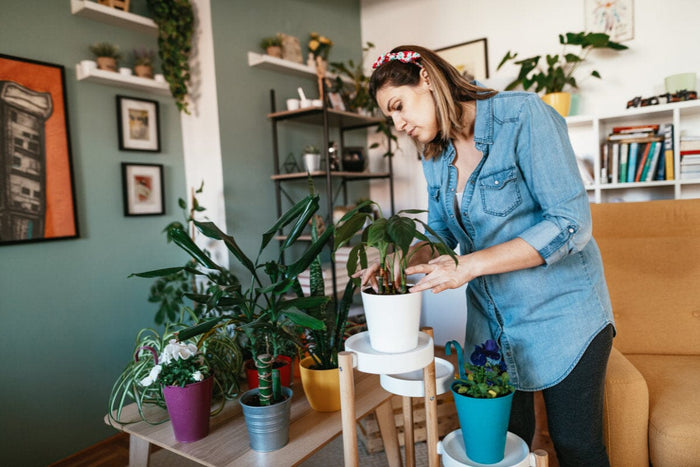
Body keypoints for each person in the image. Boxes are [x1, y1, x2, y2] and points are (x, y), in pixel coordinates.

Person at [361, 45, 615, 466]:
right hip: (492, 325)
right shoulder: (435, 156)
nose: (398, 123)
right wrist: (395, 261)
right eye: (390, 116)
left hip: (564, 317)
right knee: (499, 447)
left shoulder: (524, 116)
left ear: (425, 77)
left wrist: (471, 265)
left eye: (398, 106)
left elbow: (571, 223)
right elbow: (441, 232)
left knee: (576, 446)